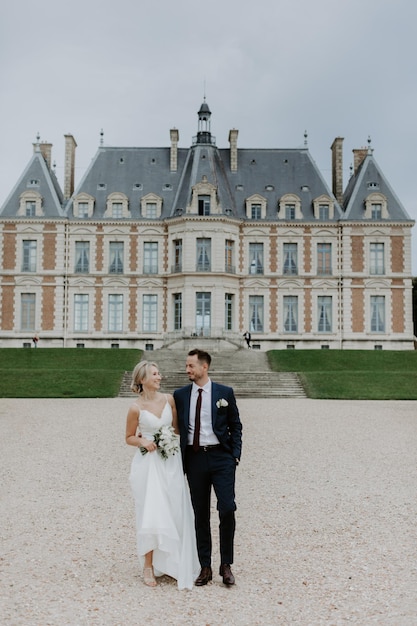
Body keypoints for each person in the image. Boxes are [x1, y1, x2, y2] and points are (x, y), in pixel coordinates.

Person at [125, 360, 199, 589]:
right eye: (155, 374)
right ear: (142, 379)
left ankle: (174, 561)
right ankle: (148, 565)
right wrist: (143, 440)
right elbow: (128, 437)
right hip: (148, 465)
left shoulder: (169, 400)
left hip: (171, 461)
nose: (160, 377)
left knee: (174, 506)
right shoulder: (135, 408)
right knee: (151, 511)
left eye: (159, 373)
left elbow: (177, 429)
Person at [174, 349, 242, 586]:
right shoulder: (180, 395)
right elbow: (173, 425)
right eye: (186, 366)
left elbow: (236, 425)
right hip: (195, 459)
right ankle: (205, 566)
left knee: (227, 508)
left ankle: (226, 564)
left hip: (221, 458)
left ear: (205, 367)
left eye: (191, 366)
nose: (187, 370)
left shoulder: (224, 393)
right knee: (200, 513)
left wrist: (235, 455)